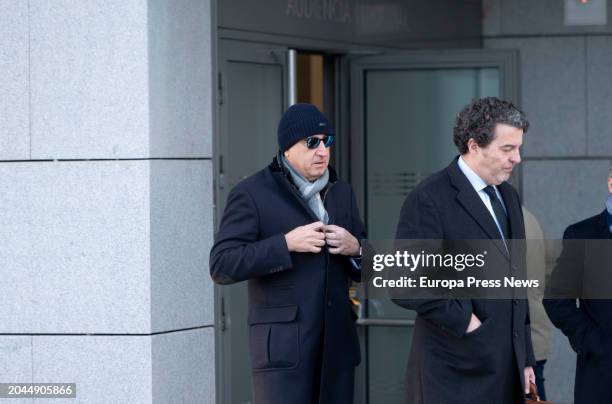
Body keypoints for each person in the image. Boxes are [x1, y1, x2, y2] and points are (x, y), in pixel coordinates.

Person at [209, 103, 366, 404]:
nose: (322, 150)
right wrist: (285, 244)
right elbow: (222, 264)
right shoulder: (252, 194)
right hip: (283, 355)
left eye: (327, 141)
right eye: (312, 142)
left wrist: (356, 248)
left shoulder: (341, 191)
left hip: (336, 351)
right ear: (287, 148)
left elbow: (365, 263)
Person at [394, 97, 536, 403]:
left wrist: (525, 357)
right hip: (454, 372)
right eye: (507, 149)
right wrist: (469, 323)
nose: (517, 159)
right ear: (474, 146)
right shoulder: (429, 198)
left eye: (519, 148)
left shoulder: (508, 196)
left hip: (507, 368)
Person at [543, 162, 612, 404]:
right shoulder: (582, 235)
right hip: (602, 377)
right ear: (611, 183)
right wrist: (595, 344)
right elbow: (556, 299)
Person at [523, 207, 553, 400]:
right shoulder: (529, 217)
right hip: (535, 334)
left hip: (520, 340)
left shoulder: (503, 220)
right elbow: (551, 267)